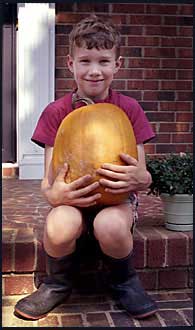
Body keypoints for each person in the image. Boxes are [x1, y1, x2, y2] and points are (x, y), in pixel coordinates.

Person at [14, 14, 158, 320]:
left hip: (116, 200)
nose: (94, 71)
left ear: (117, 65)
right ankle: (56, 284)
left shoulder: (129, 109)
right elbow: (49, 182)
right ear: (70, 64)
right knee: (59, 224)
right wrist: (55, 197)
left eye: (104, 61)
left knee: (110, 225)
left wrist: (140, 177)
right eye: (85, 61)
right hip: (73, 199)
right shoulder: (56, 112)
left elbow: (143, 174)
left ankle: (124, 281)